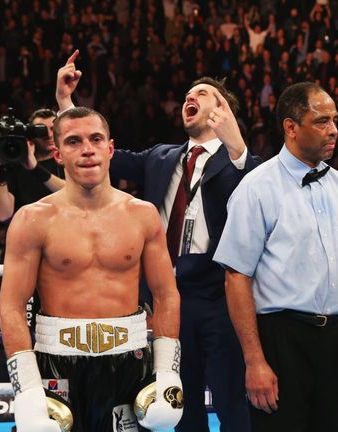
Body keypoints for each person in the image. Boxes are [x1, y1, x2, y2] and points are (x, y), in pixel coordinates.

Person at [56, 50, 257, 431]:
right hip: (169, 295)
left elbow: (253, 197)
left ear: (223, 111)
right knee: (178, 401)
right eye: (186, 95)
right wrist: (67, 103)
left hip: (221, 294)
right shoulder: (161, 157)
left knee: (232, 399)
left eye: (200, 93)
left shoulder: (244, 164)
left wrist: (238, 150)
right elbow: (98, 153)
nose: (189, 98)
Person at [0, 107, 183, 432]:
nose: (87, 149)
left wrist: (168, 372)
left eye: (95, 138)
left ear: (110, 148)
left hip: (129, 364)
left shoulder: (143, 215)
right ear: (57, 153)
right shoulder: (32, 220)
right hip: (57, 365)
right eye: (73, 141)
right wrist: (26, 388)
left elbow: (166, 294)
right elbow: (12, 306)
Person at [213, 82, 338, 431]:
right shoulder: (257, 189)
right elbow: (236, 277)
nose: (334, 129)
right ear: (291, 127)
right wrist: (254, 360)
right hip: (280, 341)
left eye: (335, 120)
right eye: (321, 121)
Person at [0, 108, 65, 222]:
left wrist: (35, 168)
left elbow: (75, 193)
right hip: (26, 234)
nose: (48, 135)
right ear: (30, 132)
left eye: (53, 129)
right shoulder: (15, 163)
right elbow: (2, 214)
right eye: (41, 130)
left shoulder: (69, 160)